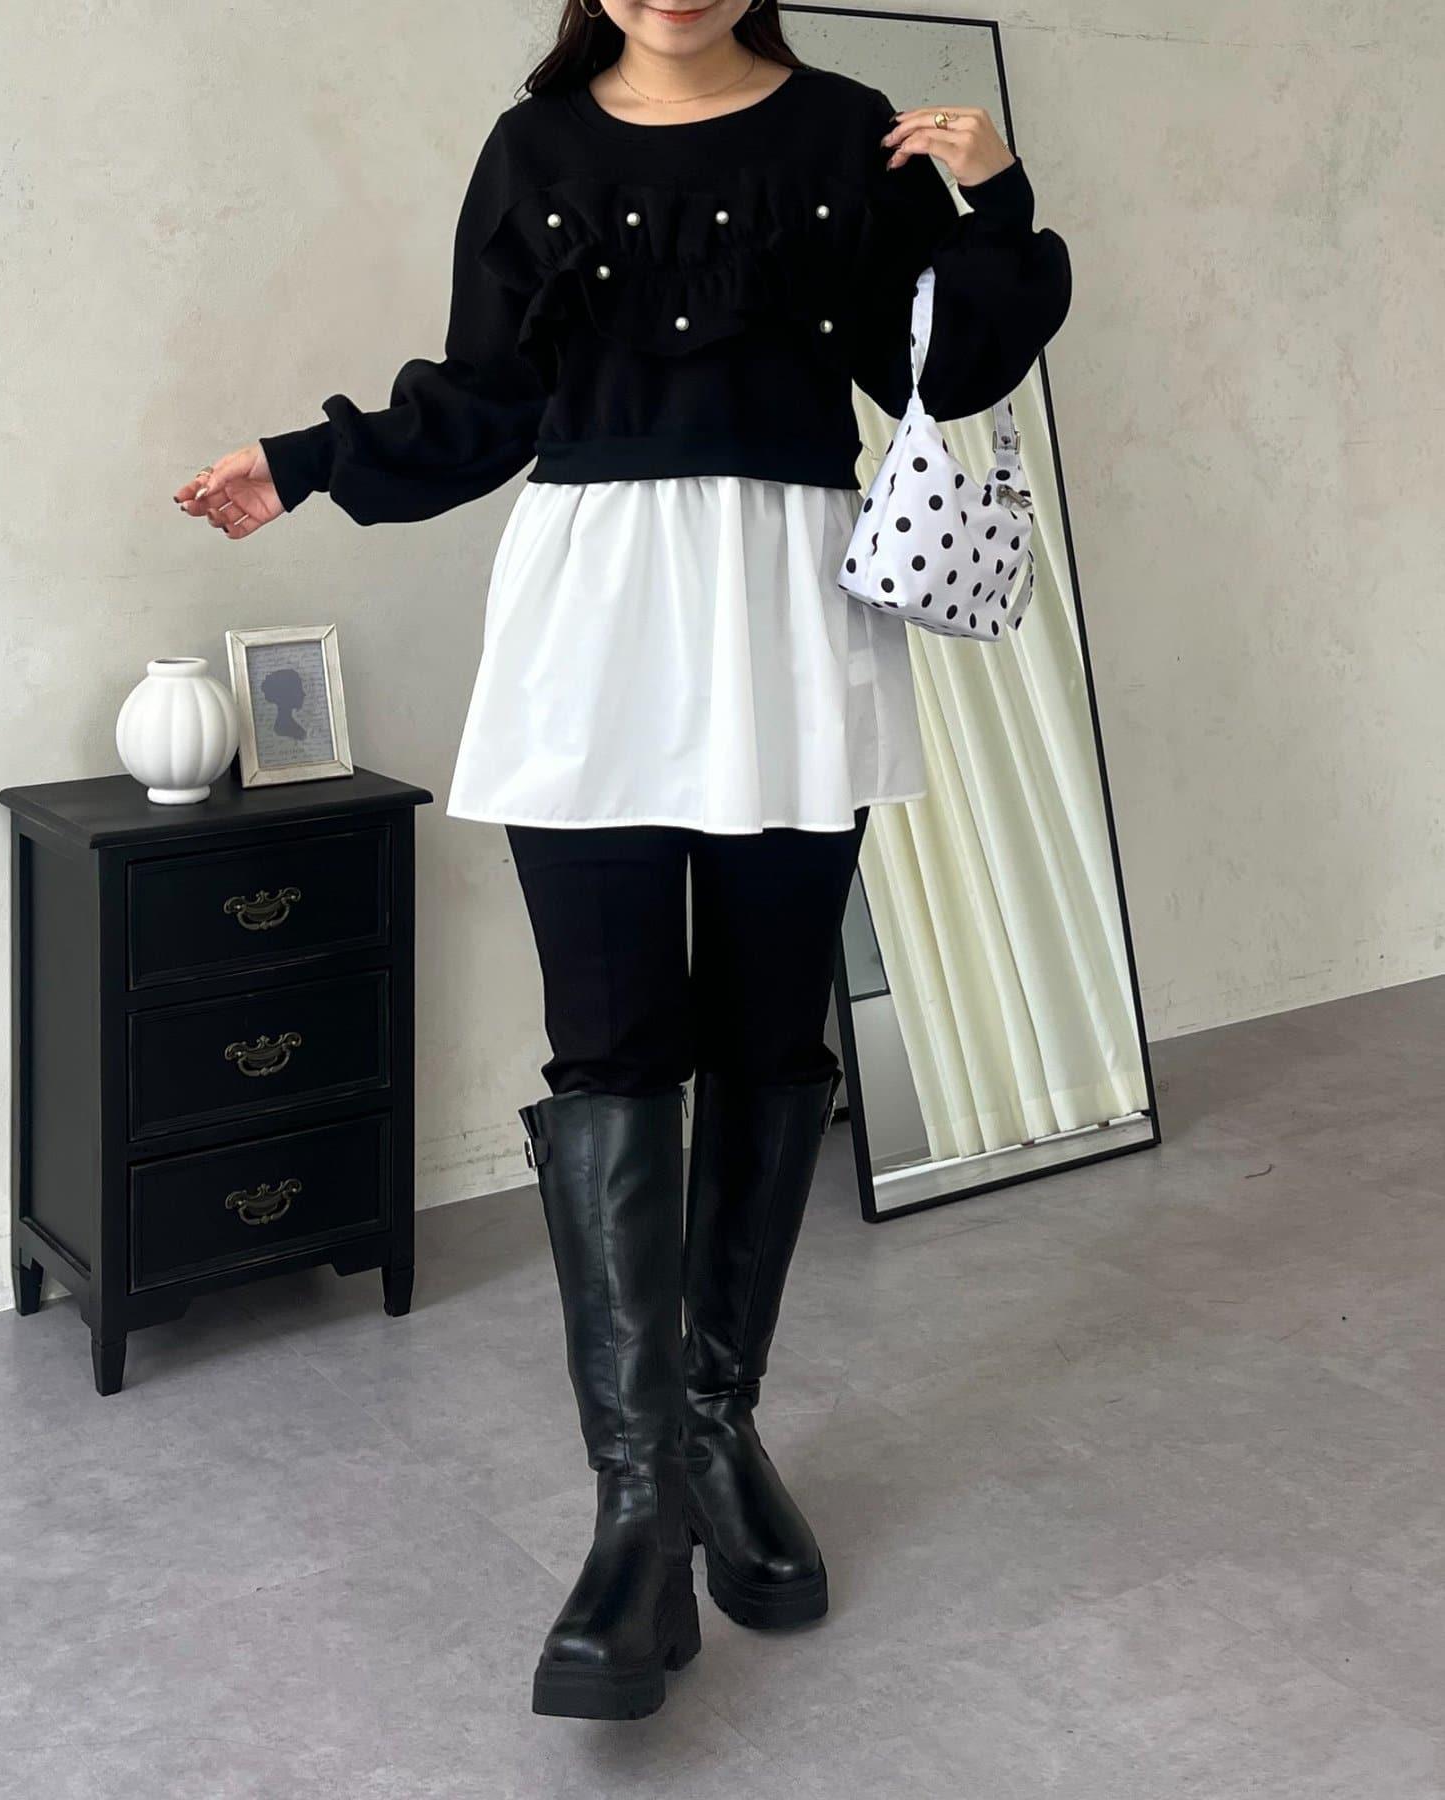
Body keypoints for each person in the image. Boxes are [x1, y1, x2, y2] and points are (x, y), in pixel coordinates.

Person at [175, 0, 1071, 1722]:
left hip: (791, 618)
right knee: (610, 1049)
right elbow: (489, 398)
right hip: (592, 619)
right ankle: (638, 1511)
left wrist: (1002, 198)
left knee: (768, 1039)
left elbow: (944, 373)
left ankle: (720, 1426)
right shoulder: (537, 147)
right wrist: (306, 461)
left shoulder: (847, 128)